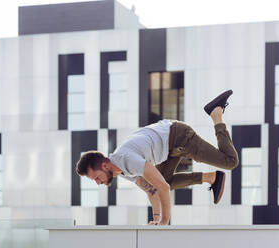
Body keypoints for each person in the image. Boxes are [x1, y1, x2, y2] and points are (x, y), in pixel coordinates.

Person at [75, 90, 239, 225]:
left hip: (179, 137)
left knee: (230, 161)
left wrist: (164, 221)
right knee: (163, 182)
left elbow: (163, 188)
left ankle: (215, 113)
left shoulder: (126, 160)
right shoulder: (121, 170)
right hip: (169, 148)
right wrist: (155, 219)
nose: (98, 183)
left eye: (96, 177)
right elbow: (151, 190)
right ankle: (211, 177)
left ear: (104, 165)